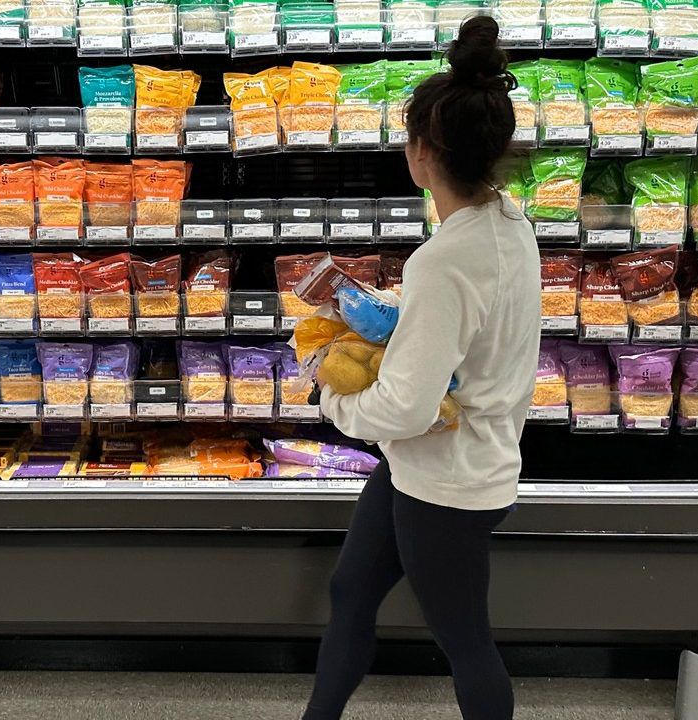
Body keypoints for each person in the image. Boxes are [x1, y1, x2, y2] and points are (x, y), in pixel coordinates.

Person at [300, 15, 541, 720]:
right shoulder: (507, 221)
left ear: (422, 154)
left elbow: (405, 408)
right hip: (430, 465)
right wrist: (394, 309)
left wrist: (329, 390)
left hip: (449, 480)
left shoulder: (444, 258)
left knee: (465, 641)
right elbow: (474, 317)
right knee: (351, 590)